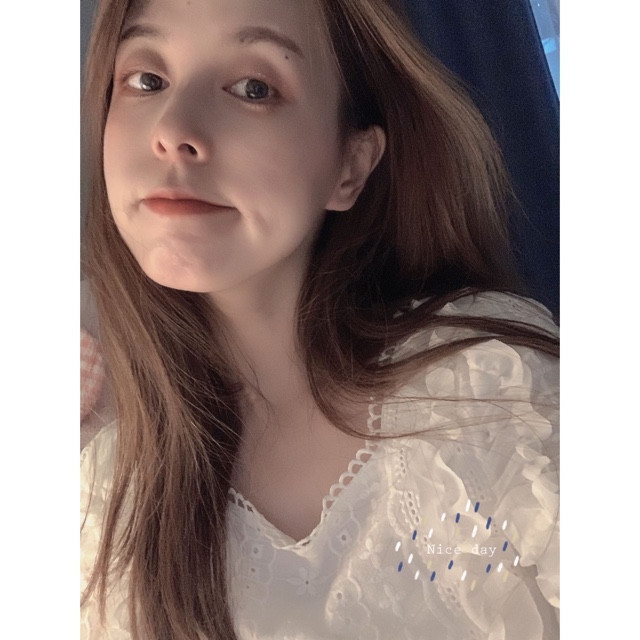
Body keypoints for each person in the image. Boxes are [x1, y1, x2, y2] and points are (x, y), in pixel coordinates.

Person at [80, 0, 559, 638]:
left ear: (350, 166)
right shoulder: (95, 491)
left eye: (254, 88)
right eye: (147, 80)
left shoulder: (492, 391)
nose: (172, 128)